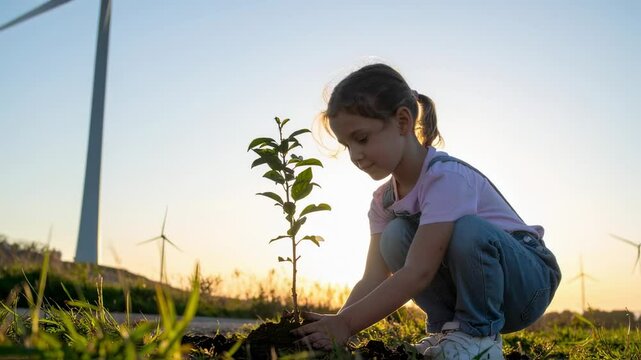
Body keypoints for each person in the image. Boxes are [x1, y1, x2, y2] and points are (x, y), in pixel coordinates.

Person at [292, 63, 561, 359]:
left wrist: (345, 324)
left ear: (403, 122)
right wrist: (339, 327)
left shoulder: (447, 179)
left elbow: (419, 271)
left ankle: (480, 338)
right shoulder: (383, 201)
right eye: (346, 145)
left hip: (526, 284)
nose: (355, 155)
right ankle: (452, 333)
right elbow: (373, 277)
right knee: (393, 236)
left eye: (362, 138)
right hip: (479, 290)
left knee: (467, 229)